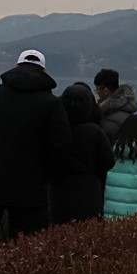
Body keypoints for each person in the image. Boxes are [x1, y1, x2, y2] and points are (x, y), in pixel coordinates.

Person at [0, 49, 71, 250]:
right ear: (44, 70)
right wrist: (46, 172)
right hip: (32, 188)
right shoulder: (52, 104)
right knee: (27, 246)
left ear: (16, 66)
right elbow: (60, 145)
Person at [49, 83, 115, 224]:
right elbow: (108, 161)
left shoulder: (57, 129)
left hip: (59, 188)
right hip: (89, 189)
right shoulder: (95, 132)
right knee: (87, 231)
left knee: (59, 232)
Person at [94, 68, 137, 143]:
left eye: (97, 89)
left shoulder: (105, 118)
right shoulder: (129, 111)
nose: (97, 93)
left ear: (105, 91)